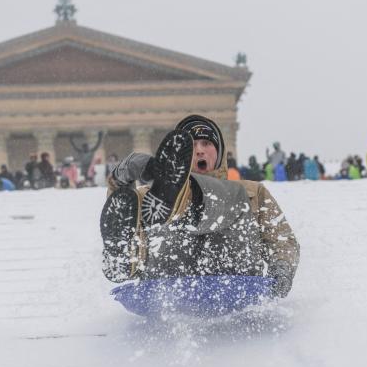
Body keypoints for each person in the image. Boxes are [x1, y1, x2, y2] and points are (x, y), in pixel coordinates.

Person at [101, 115, 300, 298]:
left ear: (219, 151)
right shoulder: (152, 196)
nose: (199, 150)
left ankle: (185, 198)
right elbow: (119, 212)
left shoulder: (253, 192)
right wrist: (120, 180)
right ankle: (125, 255)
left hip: (233, 276)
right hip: (170, 277)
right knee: (145, 211)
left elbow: (281, 240)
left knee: (237, 196)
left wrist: (281, 269)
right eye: (192, 146)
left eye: (206, 143)